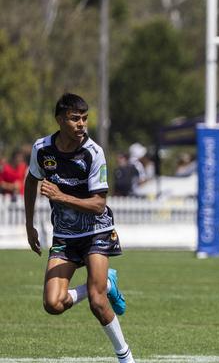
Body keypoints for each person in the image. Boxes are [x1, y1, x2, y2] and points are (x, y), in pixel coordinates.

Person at [24, 93, 135, 363]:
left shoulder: (93, 153)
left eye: (84, 118)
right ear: (60, 120)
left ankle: (126, 358)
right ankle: (106, 283)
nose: (81, 124)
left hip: (97, 231)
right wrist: (29, 225)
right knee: (53, 304)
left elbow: (98, 204)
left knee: (98, 301)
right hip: (64, 235)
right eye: (75, 118)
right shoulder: (42, 149)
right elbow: (31, 180)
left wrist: (61, 196)